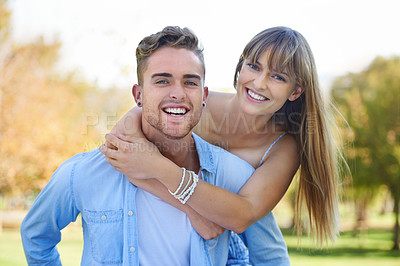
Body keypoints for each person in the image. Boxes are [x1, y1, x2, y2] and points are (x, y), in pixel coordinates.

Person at [20, 26, 289, 266]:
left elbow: (271, 258)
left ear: (204, 96)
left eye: (190, 82)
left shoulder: (234, 176)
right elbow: (36, 236)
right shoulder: (85, 173)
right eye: (162, 80)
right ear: (138, 95)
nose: (178, 93)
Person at [103, 26, 343, 259]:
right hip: (202, 242)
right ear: (241, 66)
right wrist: (192, 212)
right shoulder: (196, 107)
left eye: (278, 77)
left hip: (255, 251)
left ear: (295, 91)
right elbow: (120, 151)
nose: (259, 83)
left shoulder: (283, 147)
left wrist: (156, 166)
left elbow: (243, 216)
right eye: (254, 66)